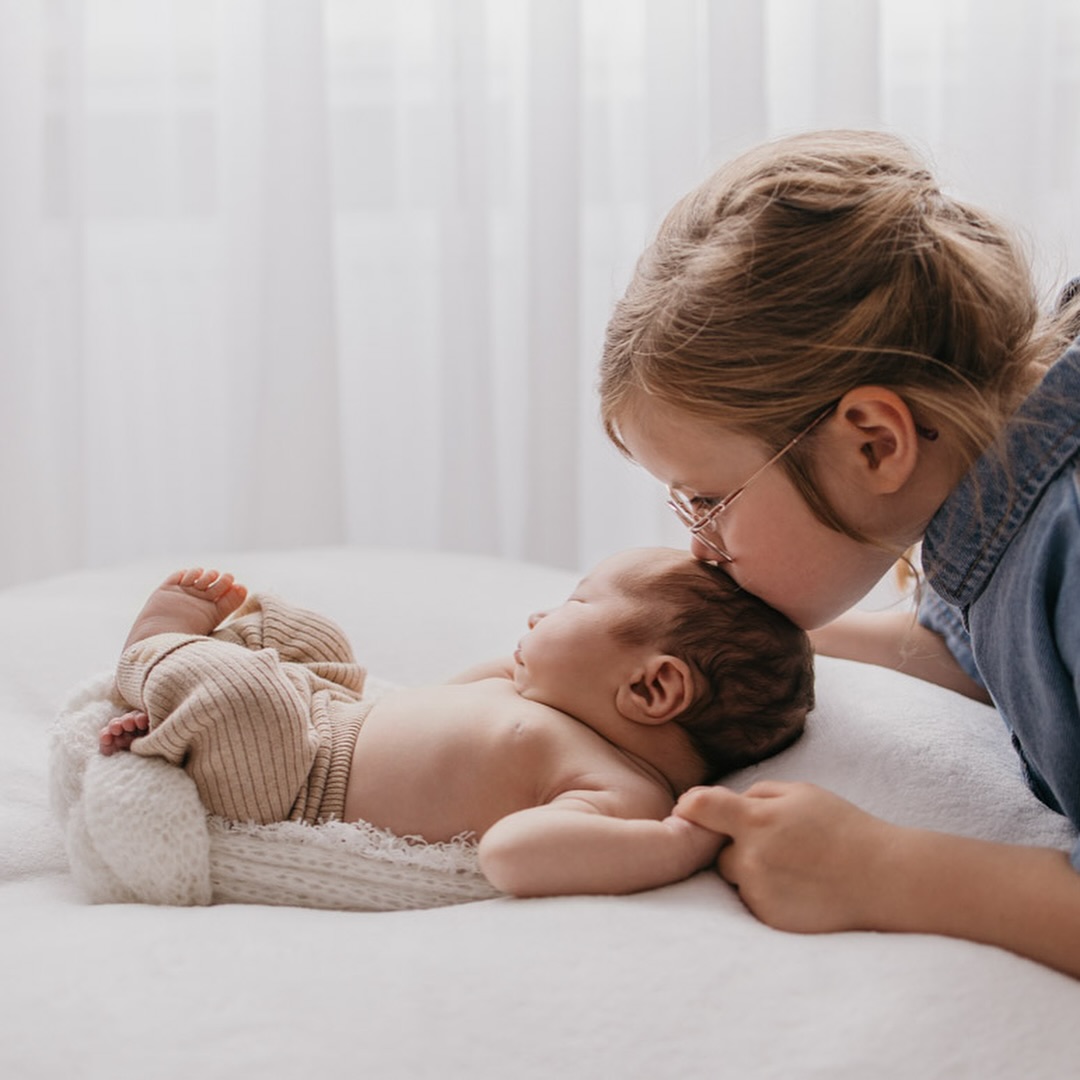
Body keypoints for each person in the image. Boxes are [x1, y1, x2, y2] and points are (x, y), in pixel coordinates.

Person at [597, 128, 1080, 975]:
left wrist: (880, 870)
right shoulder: (994, 494)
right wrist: (685, 639)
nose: (698, 544)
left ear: (874, 444)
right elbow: (972, 651)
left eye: (709, 502)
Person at [99, 548, 813, 898]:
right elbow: (428, 704)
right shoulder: (541, 693)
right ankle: (185, 698)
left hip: (294, 783)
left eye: (574, 605)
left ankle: (155, 649)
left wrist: (674, 847)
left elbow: (514, 855)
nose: (538, 614)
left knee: (239, 693)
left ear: (652, 687)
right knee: (313, 637)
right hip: (329, 712)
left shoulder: (624, 793)